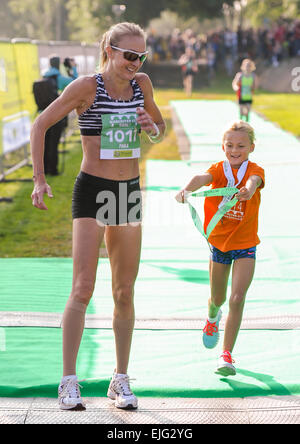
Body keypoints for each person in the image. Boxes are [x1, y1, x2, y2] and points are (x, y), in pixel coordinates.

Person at [30, 22, 165, 410]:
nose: (135, 62)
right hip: (93, 191)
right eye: (129, 55)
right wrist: (39, 180)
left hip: (128, 193)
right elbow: (41, 125)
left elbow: (160, 126)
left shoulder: (143, 84)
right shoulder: (86, 87)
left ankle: (119, 380)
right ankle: (68, 380)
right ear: (110, 49)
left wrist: (151, 127)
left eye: (141, 56)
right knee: (83, 287)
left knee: (124, 290)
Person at [175, 121, 264, 376]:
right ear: (223, 147)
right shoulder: (219, 169)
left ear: (251, 148)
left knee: (237, 299)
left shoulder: (255, 170)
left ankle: (226, 355)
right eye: (230, 145)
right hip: (219, 246)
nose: (235, 150)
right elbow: (201, 178)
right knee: (219, 298)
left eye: (241, 146)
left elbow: (254, 182)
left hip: (246, 245)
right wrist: (186, 190)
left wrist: (247, 190)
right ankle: (212, 316)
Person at [43, 55, 78, 175]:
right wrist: (73, 68)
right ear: (58, 64)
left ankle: (45, 169)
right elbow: (76, 84)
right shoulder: (59, 78)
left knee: (46, 144)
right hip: (55, 117)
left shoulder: (44, 76)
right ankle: (53, 170)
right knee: (54, 144)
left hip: (43, 115)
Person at [232, 59, 257, 123]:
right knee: (241, 111)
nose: (247, 67)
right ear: (243, 67)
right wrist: (236, 87)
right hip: (241, 95)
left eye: (249, 66)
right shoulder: (240, 75)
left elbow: (255, 86)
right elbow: (234, 83)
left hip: (249, 96)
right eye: (246, 66)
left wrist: (253, 87)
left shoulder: (253, 76)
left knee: (248, 111)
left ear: (252, 67)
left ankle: (247, 123)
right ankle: (240, 122)